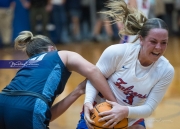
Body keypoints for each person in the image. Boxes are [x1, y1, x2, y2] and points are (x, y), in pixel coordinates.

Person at [76, 0, 174, 129]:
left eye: (164, 43)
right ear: (141, 39)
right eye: (153, 41)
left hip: (129, 117)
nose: (158, 47)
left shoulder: (166, 70)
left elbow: (149, 108)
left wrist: (124, 112)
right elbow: (93, 78)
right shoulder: (118, 52)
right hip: (99, 111)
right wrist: (88, 101)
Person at [0, 31, 117, 129]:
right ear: (52, 48)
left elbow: (47, 116)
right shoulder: (62, 54)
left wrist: (78, 91)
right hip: (29, 107)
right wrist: (116, 104)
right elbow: (93, 71)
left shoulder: (29, 64)